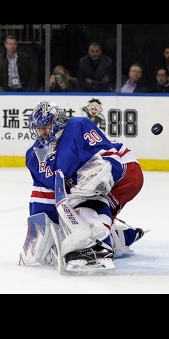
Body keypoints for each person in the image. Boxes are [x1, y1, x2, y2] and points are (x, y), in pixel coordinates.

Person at [18, 100, 146, 272]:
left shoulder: (77, 126)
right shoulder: (34, 156)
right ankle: (124, 237)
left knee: (89, 198)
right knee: (77, 207)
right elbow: (44, 195)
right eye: (39, 128)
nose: (43, 131)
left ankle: (100, 247)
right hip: (86, 185)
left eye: (47, 125)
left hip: (124, 173)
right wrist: (41, 228)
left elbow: (107, 158)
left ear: (58, 121)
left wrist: (101, 175)